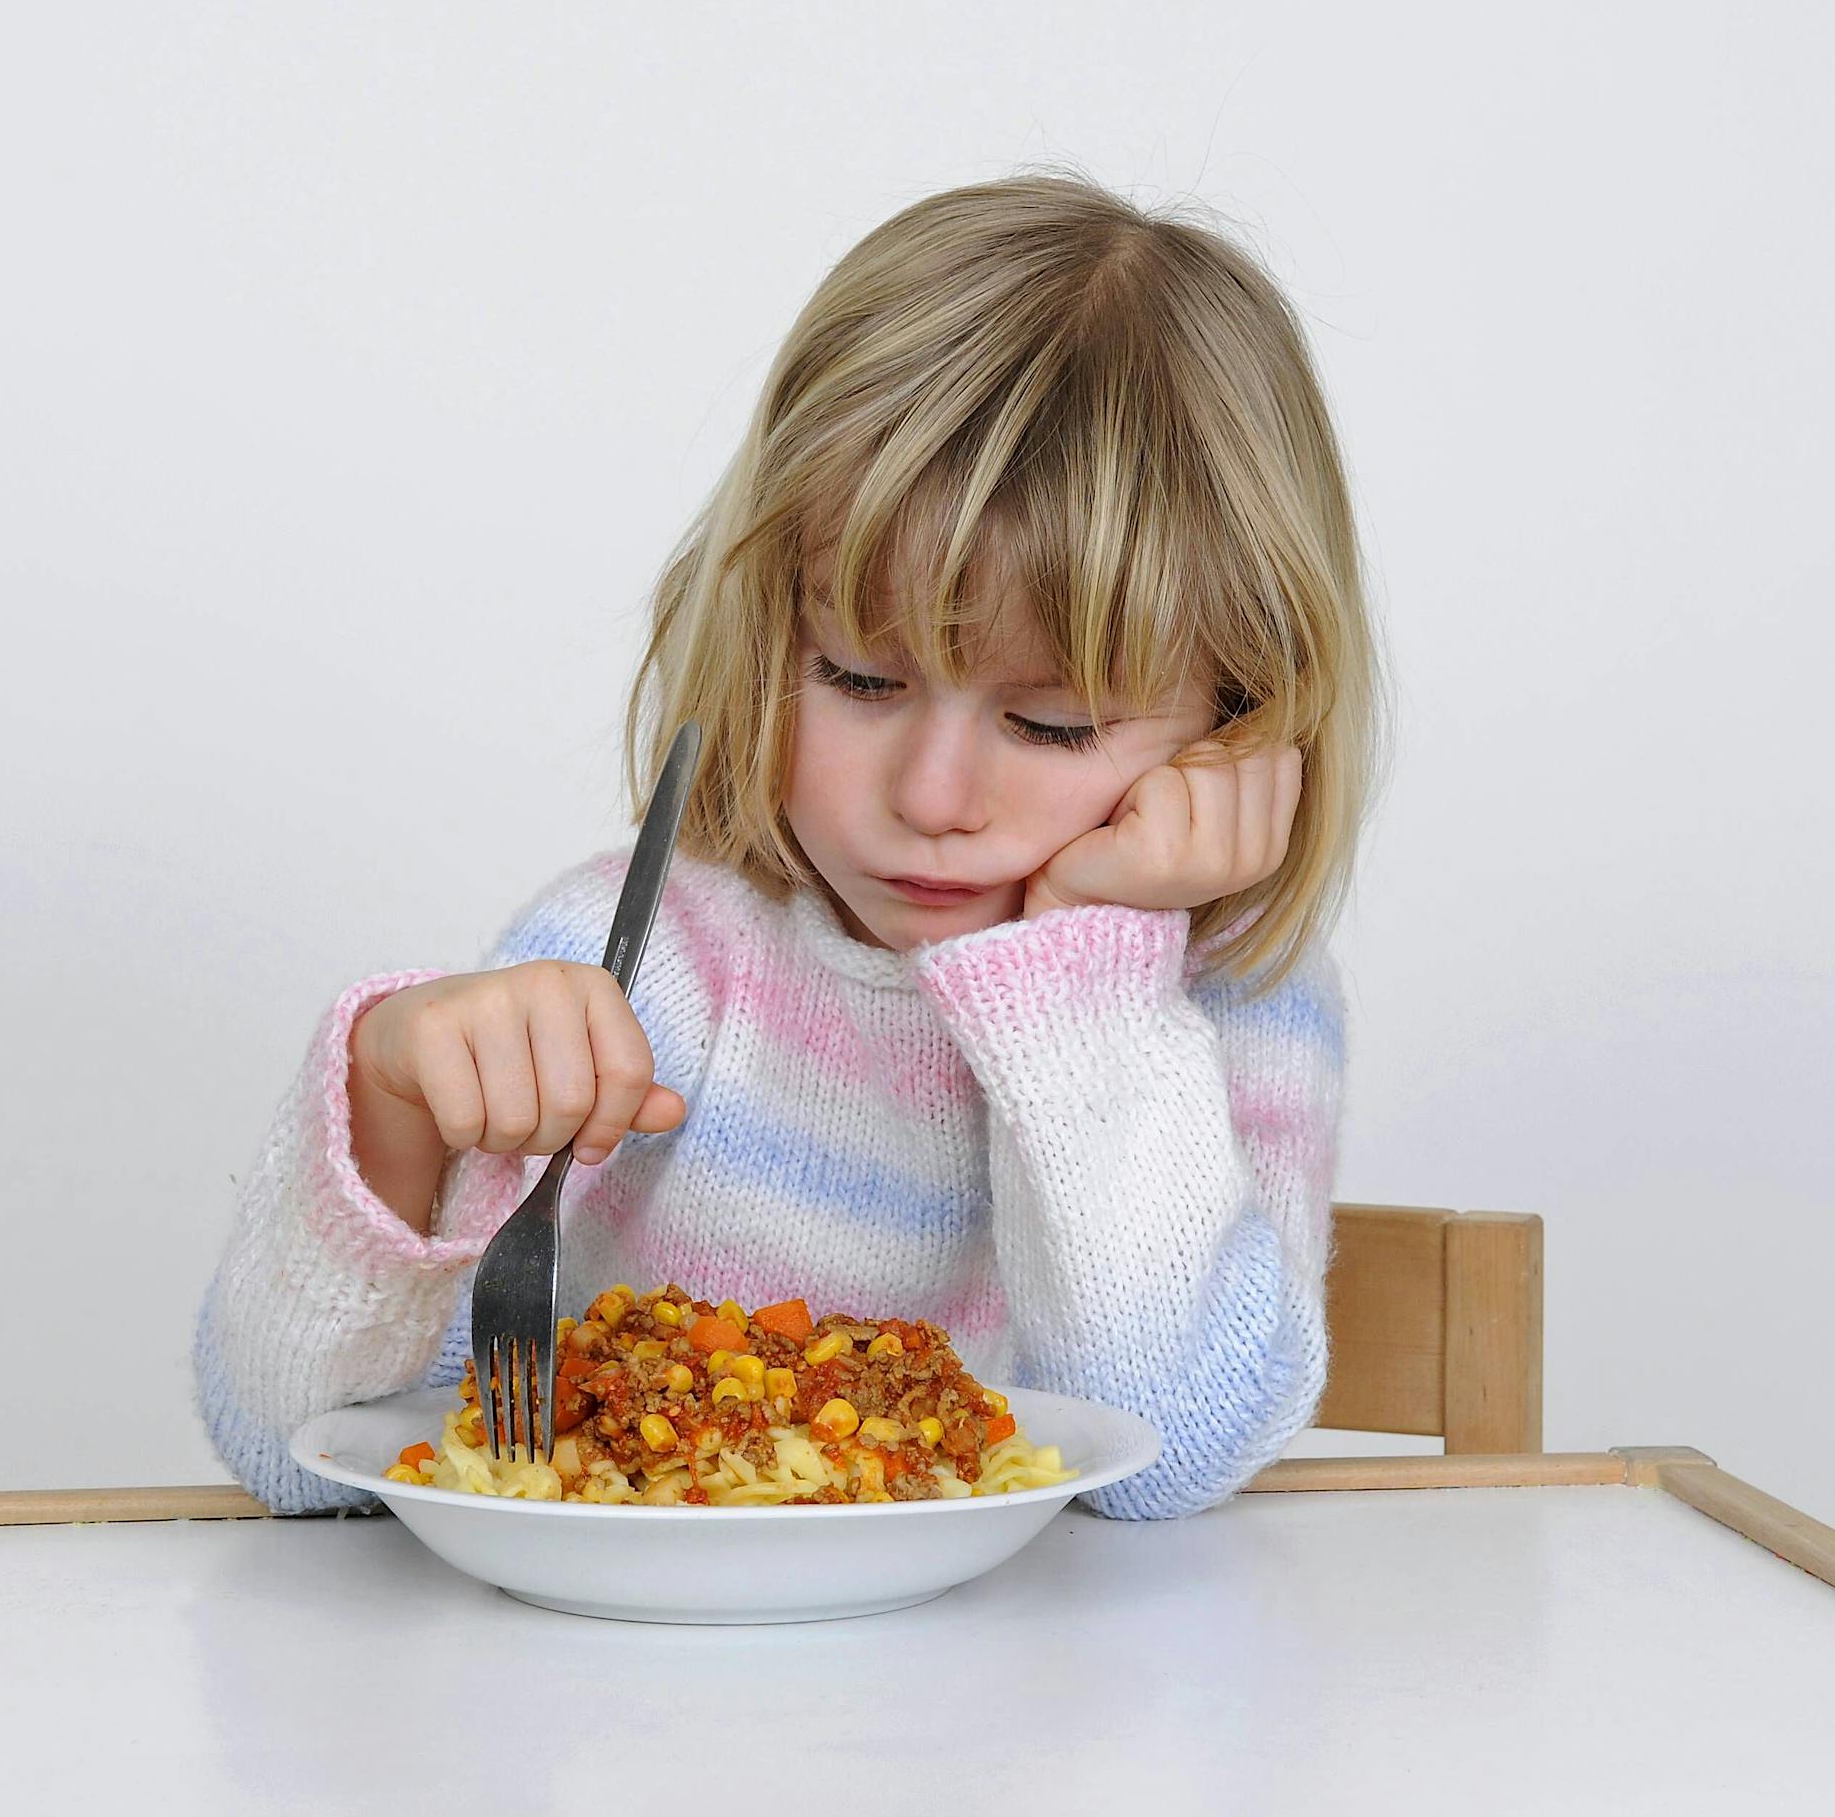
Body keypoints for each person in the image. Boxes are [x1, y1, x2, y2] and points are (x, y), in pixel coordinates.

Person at [196, 170, 1384, 1518]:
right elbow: (296, 1455)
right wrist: (395, 1107)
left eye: (1054, 723)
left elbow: (1164, 1458)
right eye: (862, 683)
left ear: (1243, 716)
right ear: (767, 635)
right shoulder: (640, 959)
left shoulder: (1233, 999)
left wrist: (1091, 974)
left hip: (1031, 1708)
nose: (933, 795)